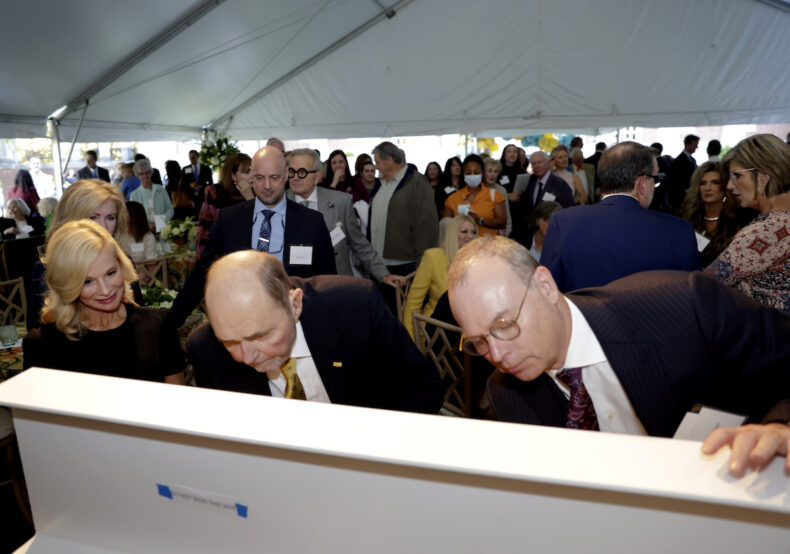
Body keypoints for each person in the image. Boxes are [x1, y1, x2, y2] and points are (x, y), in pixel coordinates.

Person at [448, 235, 790, 478]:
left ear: (546, 286)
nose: (498, 354)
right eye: (478, 341)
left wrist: (781, 426)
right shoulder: (506, 392)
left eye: (505, 325)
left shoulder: (683, 306)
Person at [187, 250, 443, 413]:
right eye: (229, 342)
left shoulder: (356, 308)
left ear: (295, 304)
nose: (246, 357)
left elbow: (423, 390)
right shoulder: (206, 350)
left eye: (260, 336)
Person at [169, 146, 336, 327]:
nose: (267, 186)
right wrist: (171, 321)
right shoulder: (229, 220)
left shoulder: (311, 222)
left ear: (286, 174)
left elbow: (326, 283)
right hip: (242, 324)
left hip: (296, 324)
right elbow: (203, 272)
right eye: (259, 178)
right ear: (251, 177)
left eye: (274, 177)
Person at [23, 220, 185, 384]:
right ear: (67, 285)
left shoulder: (158, 325)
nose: (106, 290)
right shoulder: (43, 345)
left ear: (122, 266)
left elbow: (177, 402)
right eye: (88, 282)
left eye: (110, 273)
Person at [541, 141, 701, 292]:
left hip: (586, 320)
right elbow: (691, 298)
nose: (655, 186)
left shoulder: (563, 223)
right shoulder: (679, 231)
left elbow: (547, 293)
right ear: (642, 183)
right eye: (655, 179)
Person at [27, 179, 142, 330]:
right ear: (71, 220)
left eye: (110, 218)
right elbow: (38, 333)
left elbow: (139, 322)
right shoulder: (47, 270)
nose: (102, 227)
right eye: (93, 217)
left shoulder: (122, 263)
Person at [285, 148, 401, 286]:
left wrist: (383, 274)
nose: (295, 177)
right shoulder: (279, 203)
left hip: (335, 284)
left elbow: (359, 243)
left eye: (302, 172)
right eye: (292, 172)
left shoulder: (341, 202)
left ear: (317, 176)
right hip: (291, 285)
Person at [706, 133, 790, 315]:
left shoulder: (766, 231)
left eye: (736, 175)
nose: (729, 185)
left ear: (763, 177)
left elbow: (705, 284)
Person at [403, 215, 477, 340]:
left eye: (473, 232)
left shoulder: (480, 261)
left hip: (472, 331)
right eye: (464, 231)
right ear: (453, 234)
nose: (470, 236)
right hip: (438, 331)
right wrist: (409, 340)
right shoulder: (433, 257)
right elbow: (413, 302)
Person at [370, 141, 438, 278]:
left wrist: (423, 262)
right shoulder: (381, 184)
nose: (375, 167)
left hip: (404, 264)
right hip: (378, 264)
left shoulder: (418, 183)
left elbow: (427, 224)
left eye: (377, 162)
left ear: (389, 160)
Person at [680, 161, 739, 267]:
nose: (708, 188)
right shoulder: (687, 218)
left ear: (725, 186)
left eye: (715, 182)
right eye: (703, 183)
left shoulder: (737, 221)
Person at [196, 153, 253, 258]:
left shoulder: (259, 193)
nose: (251, 176)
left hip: (249, 255)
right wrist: (202, 258)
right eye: (246, 172)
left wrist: (250, 199)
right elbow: (205, 227)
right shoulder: (215, 192)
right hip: (221, 255)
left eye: (253, 171)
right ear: (233, 175)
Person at [443, 154, 506, 236]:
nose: (472, 175)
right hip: (462, 247)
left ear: (482, 173)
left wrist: (480, 221)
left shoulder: (495, 195)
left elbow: (502, 222)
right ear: (463, 174)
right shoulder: (452, 199)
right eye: (468, 173)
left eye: (476, 172)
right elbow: (446, 226)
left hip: (488, 246)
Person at [129, 158, 174, 231]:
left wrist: (158, 222)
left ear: (151, 173)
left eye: (147, 172)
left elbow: (170, 209)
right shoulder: (134, 195)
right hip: (144, 230)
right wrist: (148, 224)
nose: (145, 176)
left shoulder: (161, 189)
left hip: (163, 228)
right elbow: (134, 216)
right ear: (137, 175)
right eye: (141, 174)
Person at [669, 134, 700, 212]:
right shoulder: (679, 161)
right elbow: (676, 182)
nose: (696, 147)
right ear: (687, 144)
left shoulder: (692, 160)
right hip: (681, 197)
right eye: (695, 145)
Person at [482, 157, 512, 235]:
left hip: (497, 235)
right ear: (483, 172)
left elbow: (507, 217)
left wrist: (507, 234)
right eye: (490, 171)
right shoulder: (477, 189)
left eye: (496, 171)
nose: (493, 174)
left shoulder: (501, 190)